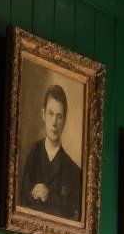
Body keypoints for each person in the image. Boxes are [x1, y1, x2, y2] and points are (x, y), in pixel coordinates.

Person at [19, 84, 82, 221]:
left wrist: (49, 196)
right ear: (43, 115)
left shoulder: (74, 171)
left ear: (65, 120)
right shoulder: (30, 155)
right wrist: (32, 194)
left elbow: (73, 216)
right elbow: (21, 202)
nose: (54, 122)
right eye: (51, 114)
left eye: (59, 116)